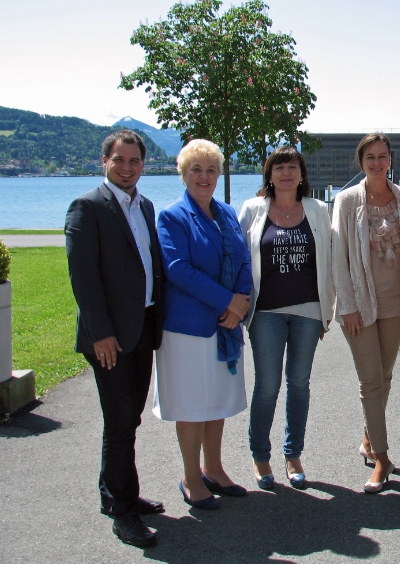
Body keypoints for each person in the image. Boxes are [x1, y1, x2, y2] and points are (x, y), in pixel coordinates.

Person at [65, 130, 164, 547]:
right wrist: (101, 333)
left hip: (142, 328)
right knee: (121, 422)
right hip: (110, 338)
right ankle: (123, 513)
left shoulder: (145, 205)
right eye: (119, 160)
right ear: (104, 161)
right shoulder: (87, 207)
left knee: (129, 419)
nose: (127, 167)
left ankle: (119, 493)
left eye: (134, 161)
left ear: (143, 165)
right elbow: (83, 278)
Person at [152, 139, 252, 511]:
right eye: (196, 169)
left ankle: (214, 468)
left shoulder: (226, 213)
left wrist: (240, 303)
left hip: (226, 324)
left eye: (211, 170)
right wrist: (227, 301)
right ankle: (191, 477)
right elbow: (178, 270)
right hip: (188, 329)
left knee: (216, 402)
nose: (204, 177)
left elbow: (244, 260)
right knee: (193, 405)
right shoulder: (172, 217)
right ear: (184, 174)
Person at [238, 146, 335, 490]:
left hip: (308, 311)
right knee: (267, 386)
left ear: (301, 174)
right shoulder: (253, 209)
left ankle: (293, 454)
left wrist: (327, 313)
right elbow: (239, 258)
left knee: (299, 384)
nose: (286, 173)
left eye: (292, 166)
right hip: (265, 313)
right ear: (269, 174)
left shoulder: (317, 209)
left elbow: (329, 259)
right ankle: (260, 455)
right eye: (279, 167)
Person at [331, 133, 400, 494]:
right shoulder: (347, 200)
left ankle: (368, 439)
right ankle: (382, 458)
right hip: (360, 303)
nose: (377, 162)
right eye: (370, 157)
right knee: (370, 381)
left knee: (384, 375)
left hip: (396, 301)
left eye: (382, 156)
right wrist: (346, 305)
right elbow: (338, 255)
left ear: (390, 159)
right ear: (361, 161)